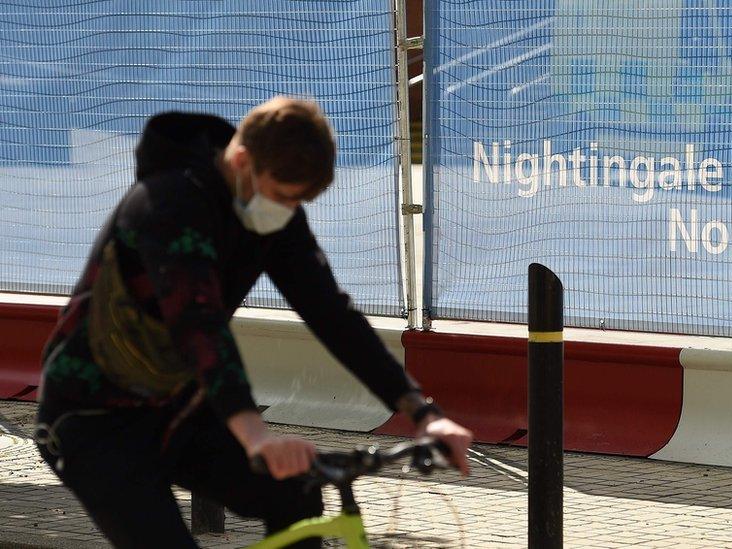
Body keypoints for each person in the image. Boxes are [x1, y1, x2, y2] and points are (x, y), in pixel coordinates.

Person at [34, 96, 472, 548]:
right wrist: (254, 433)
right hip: (91, 420)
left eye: (299, 200)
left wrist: (422, 412)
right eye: (284, 196)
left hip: (176, 411)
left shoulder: (269, 206)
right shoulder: (168, 204)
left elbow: (331, 314)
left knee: (296, 493)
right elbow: (198, 325)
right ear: (242, 161)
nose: (288, 210)